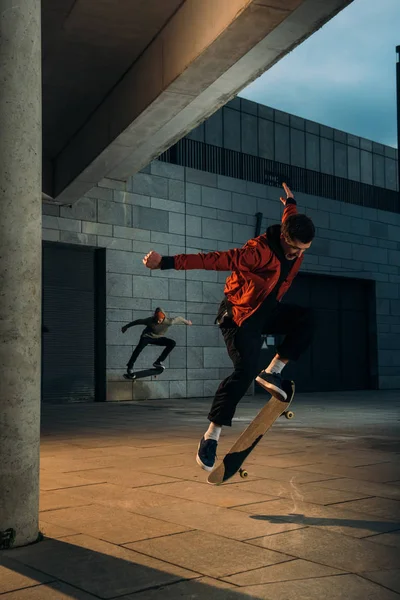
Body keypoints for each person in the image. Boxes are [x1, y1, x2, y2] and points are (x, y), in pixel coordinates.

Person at [143, 183, 315, 471]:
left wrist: (291, 201)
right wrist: (166, 263)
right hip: (238, 317)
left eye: (304, 251)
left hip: (266, 311)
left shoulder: (293, 232)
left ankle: (272, 372)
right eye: (295, 249)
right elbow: (215, 259)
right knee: (244, 371)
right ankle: (211, 437)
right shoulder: (257, 252)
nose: (298, 255)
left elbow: (290, 216)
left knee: (308, 318)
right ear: (285, 239)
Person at [121, 307, 192, 376]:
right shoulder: (150, 320)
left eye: (160, 320)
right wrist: (126, 326)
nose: (158, 321)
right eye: (157, 320)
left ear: (163, 318)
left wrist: (187, 322)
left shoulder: (169, 322)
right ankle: (130, 366)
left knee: (172, 343)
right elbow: (138, 321)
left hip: (158, 338)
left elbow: (179, 318)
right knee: (138, 350)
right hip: (146, 337)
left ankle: (158, 362)